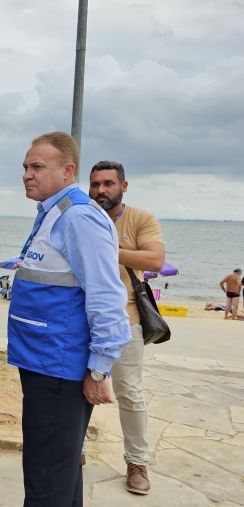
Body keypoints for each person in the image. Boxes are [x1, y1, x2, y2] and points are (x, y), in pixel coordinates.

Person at [8, 132, 130, 506]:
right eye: (26, 167)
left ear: (68, 170)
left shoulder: (78, 218)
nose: (28, 174)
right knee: (59, 476)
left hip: (60, 370)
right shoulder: (53, 214)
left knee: (46, 482)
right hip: (44, 365)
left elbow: (107, 297)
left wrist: (99, 369)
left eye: (37, 167)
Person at [89, 160, 164, 495]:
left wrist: (107, 250)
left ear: (123, 185)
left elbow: (154, 260)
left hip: (127, 320)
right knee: (77, 392)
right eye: (95, 184)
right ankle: (72, 451)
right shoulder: (82, 216)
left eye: (108, 184)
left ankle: (137, 462)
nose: (101, 191)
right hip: (83, 322)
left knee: (130, 394)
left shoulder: (141, 219)